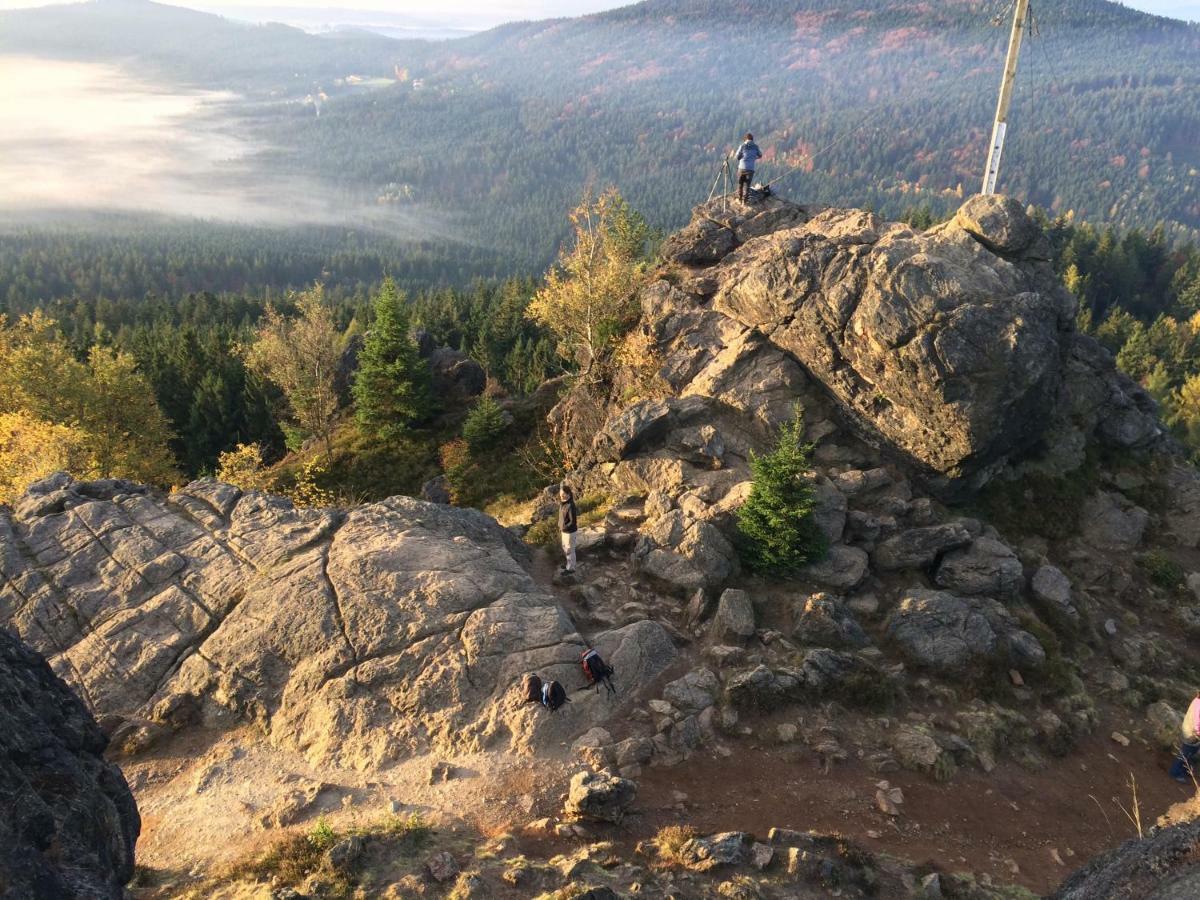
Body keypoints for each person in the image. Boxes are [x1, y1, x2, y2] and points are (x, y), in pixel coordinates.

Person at [1170, 691, 1200, 783]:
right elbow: (1197, 722)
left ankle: (1184, 770)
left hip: (1191, 730)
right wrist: (1198, 733)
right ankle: (1175, 772)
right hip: (1191, 733)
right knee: (1185, 753)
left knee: (1190, 752)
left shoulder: (1197, 699)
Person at [735, 132, 762, 204]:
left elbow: (737, 157)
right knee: (747, 186)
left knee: (740, 184)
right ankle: (745, 201)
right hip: (750, 169)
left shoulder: (742, 146)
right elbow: (760, 155)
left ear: (745, 139)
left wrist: (742, 157)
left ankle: (740, 199)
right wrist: (754, 158)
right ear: (752, 139)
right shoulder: (756, 147)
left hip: (741, 168)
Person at [558, 483, 578, 575]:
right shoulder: (563, 503)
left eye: (563, 494)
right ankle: (568, 564)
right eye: (560, 494)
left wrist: (564, 528)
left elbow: (572, 521)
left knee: (570, 550)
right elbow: (561, 517)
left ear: (568, 493)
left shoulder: (570, 505)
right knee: (565, 548)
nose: (561, 495)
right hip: (564, 531)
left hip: (569, 532)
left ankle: (571, 569)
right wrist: (560, 526)